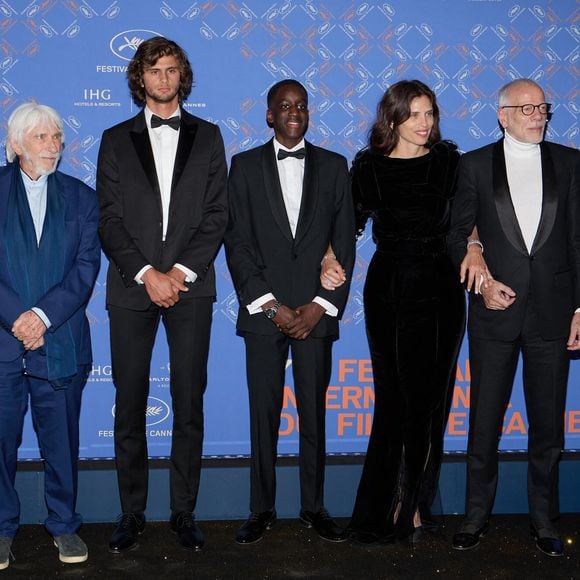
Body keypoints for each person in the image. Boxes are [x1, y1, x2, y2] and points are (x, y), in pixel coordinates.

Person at [321, 80, 487, 545]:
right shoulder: (369, 167)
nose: (425, 122)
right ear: (391, 118)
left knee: (432, 400)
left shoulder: (448, 161)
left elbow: (466, 216)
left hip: (440, 286)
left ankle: (414, 501)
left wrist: (474, 245)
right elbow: (347, 225)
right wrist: (329, 257)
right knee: (395, 398)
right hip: (389, 286)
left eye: (430, 113)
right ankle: (387, 503)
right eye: (414, 114)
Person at [97, 36, 228, 553]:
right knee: (128, 404)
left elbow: (217, 214)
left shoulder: (210, 137)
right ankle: (131, 513)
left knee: (188, 401)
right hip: (132, 289)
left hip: (192, 290)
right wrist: (149, 273)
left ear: (182, 76)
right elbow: (108, 219)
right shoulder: (113, 139)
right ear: (140, 78)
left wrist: (179, 273)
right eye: (154, 70)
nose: (164, 79)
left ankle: (184, 511)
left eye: (172, 69)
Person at [447, 78, 580, 557]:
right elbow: (457, 233)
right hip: (494, 313)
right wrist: (480, 279)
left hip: (553, 312)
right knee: (484, 421)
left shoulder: (570, 163)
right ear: (502, 115)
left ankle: (544, 519)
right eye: (526, 108)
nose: (537, 115)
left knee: (547, 428)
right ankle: (476, 515)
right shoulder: (474, 165)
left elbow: (577, 241)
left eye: (543, 106)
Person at [224, 79, 355, 545]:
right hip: (265, 313)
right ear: (269, 115)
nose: (294, 112)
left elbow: (345, 242)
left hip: (316, 313)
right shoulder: (242, 167)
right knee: (264, 414)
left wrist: (320, 307)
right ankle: (261, 509)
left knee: (314, 414)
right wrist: (271, 306)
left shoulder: (336, 167)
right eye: (285, 106)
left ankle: (314, 507)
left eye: (301, 105)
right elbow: (236, 243)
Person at [0, 103, 100, 569]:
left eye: (57, 137)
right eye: (42, 138)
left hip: (60, 343)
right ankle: (2, 528)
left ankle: (64, 525)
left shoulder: (82, 198)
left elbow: (85, 271)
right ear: (17, 144)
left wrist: (41, 317)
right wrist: (18, 318)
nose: (53, 146)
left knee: (62, 441)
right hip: (2, 344)